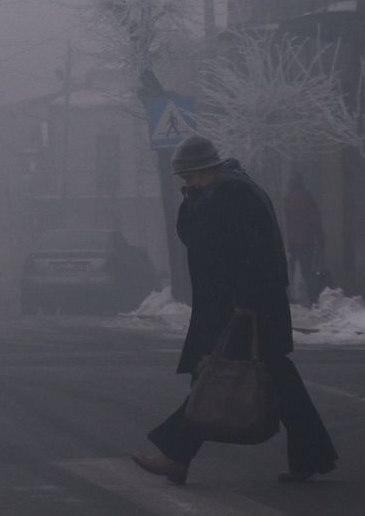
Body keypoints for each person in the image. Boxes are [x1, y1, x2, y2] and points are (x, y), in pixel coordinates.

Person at [132, 134, 338, 486]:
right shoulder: (220, 192)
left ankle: (175, 455)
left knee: (213, 378)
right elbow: (196, 237)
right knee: (274, 379)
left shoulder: (233, 193)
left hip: (244, 307)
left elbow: (252, 252)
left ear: (207, 169)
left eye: (191, 177)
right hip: (243, 304)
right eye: (185, 180)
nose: (189, 184)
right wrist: (192, 198)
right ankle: (312, 455)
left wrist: (245, 303)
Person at [282, 171, 325, 305]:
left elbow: (285, 221)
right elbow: (315, 218)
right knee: (308, 272)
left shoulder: (287, 199)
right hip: (307, 240)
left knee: (290, 271)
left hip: (292, 241)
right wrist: (321, 237)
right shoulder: (308, 197)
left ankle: (290, 299)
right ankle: (312, 299)